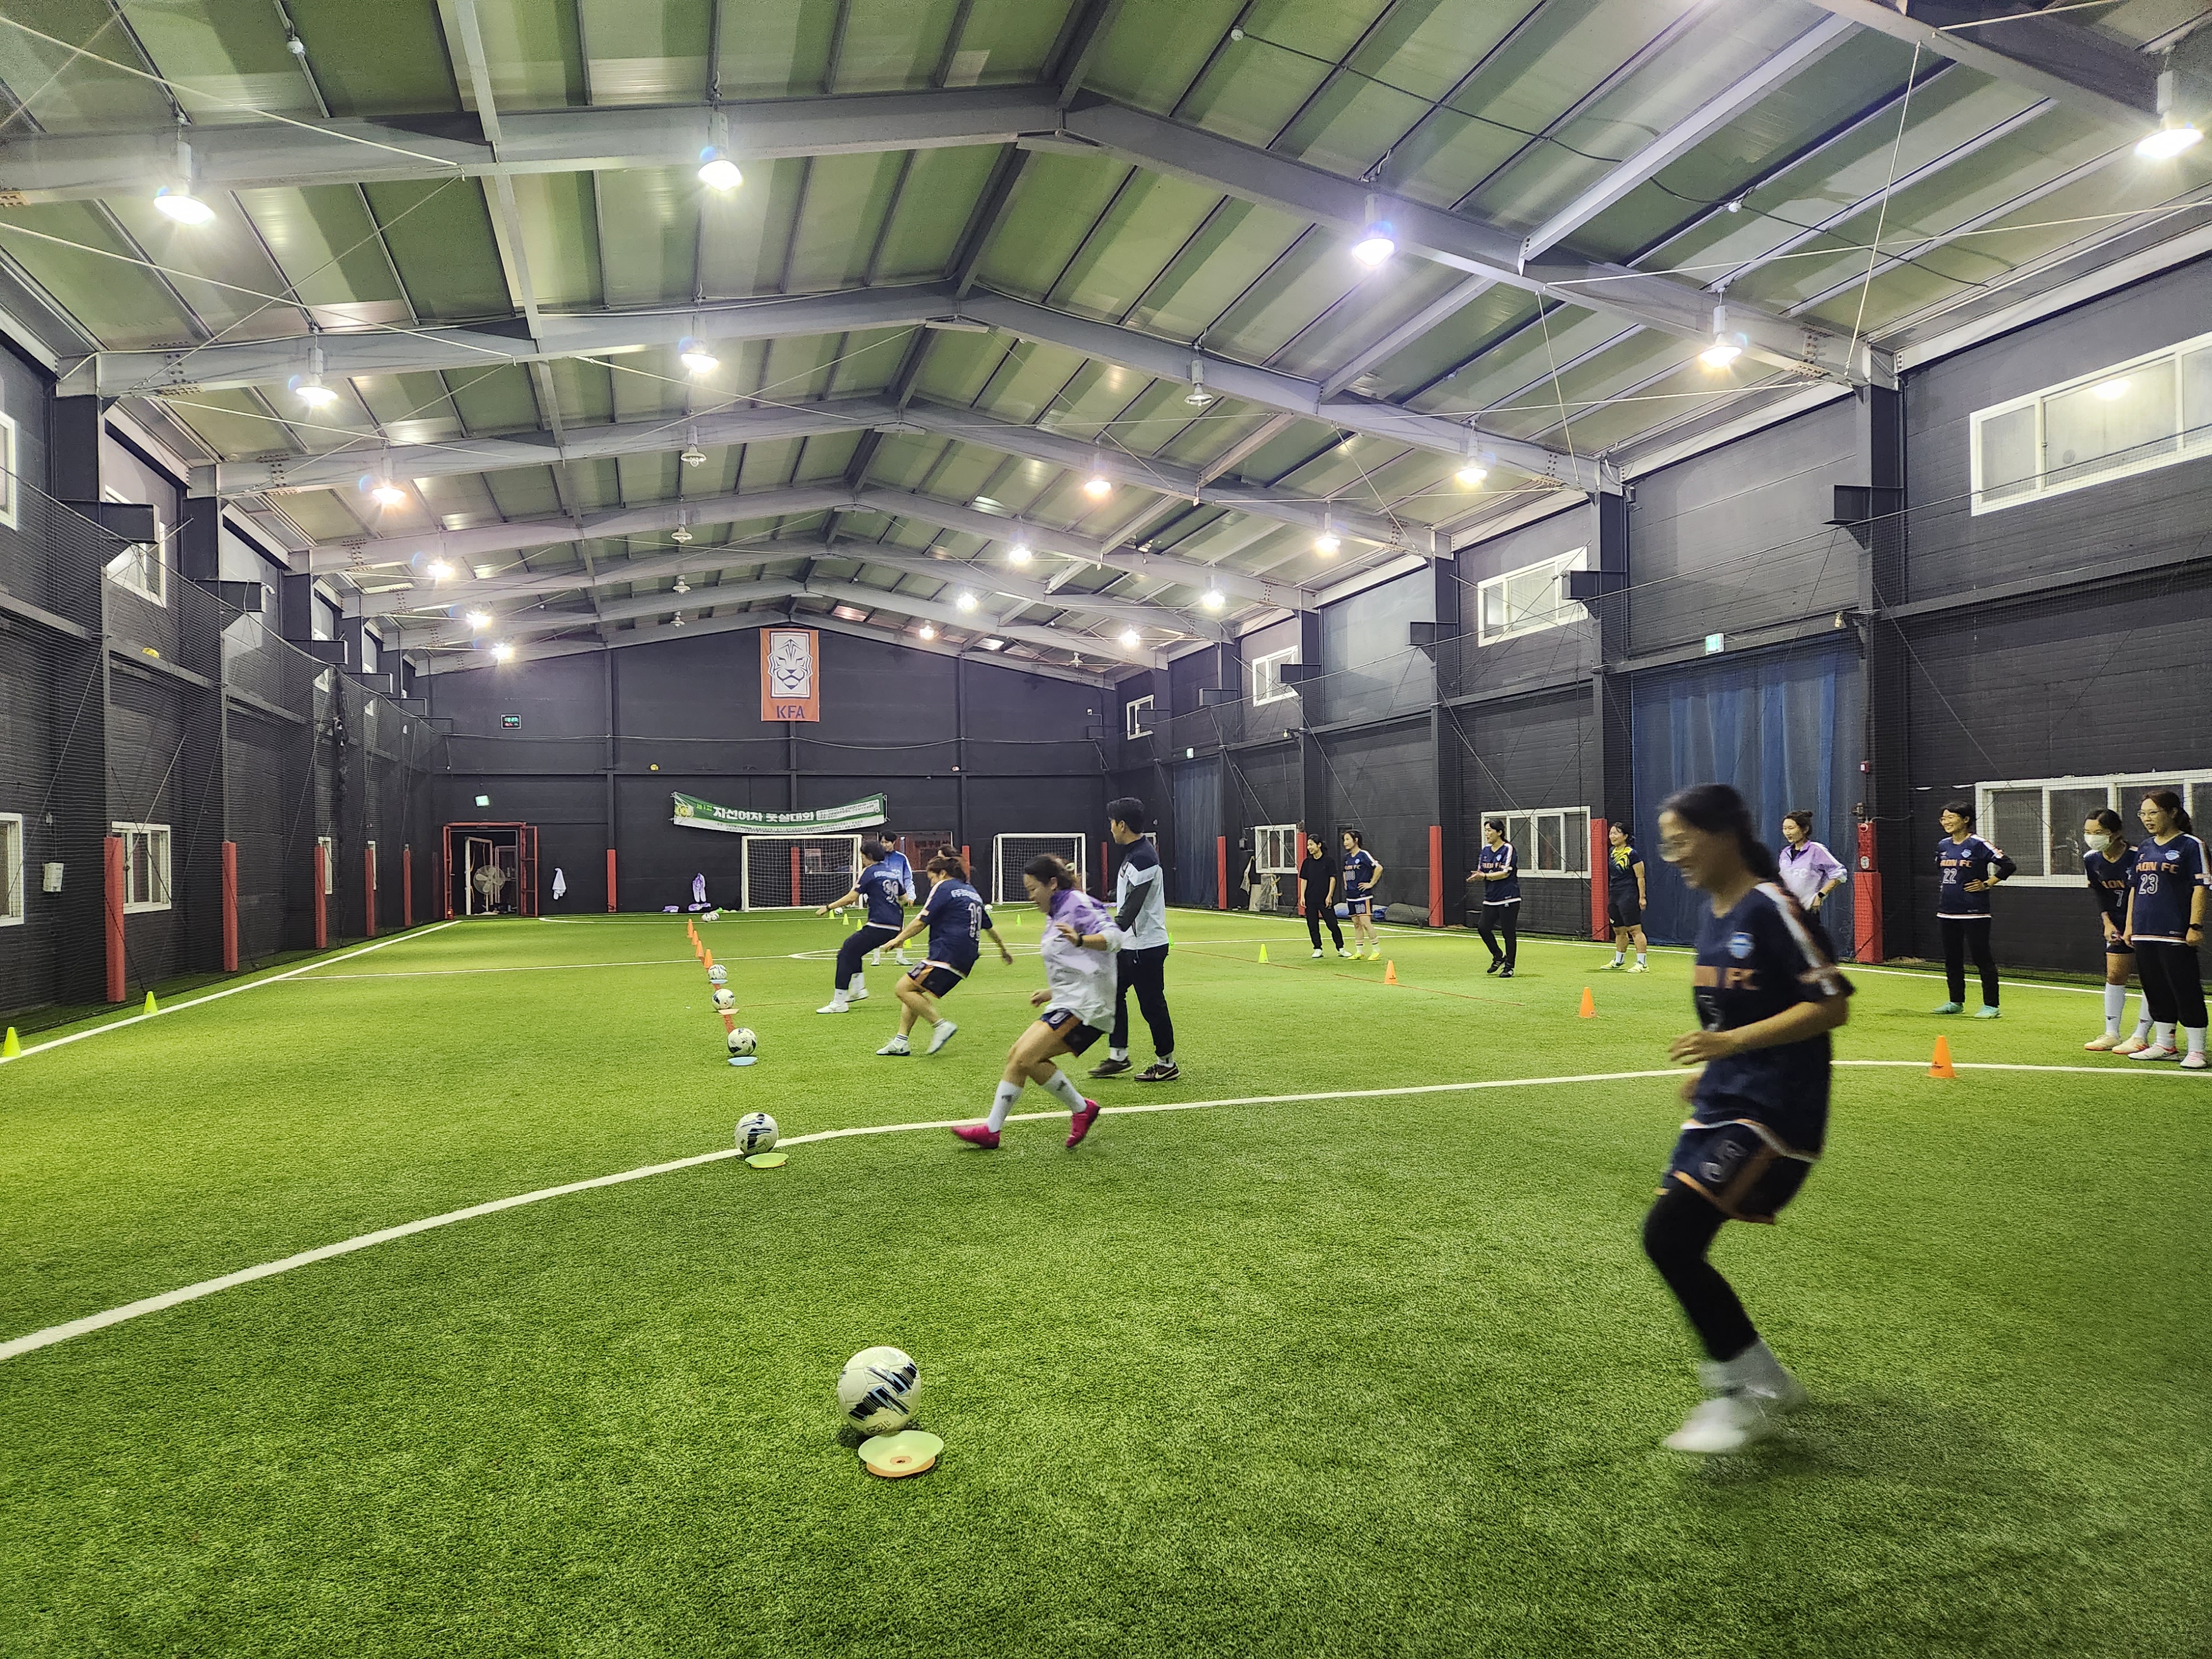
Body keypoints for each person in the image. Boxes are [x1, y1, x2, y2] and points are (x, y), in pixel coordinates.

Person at [1647, 782, 1852, 1455]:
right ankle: (1762, 1380)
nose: (1674, 856)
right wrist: (1711, 1069)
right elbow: (1734, 1014)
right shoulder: (1714, 913)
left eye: (1681, 842)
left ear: (1723, 836)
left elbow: (1830, 1003)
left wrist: (1730, 1046)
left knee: (1670, 1235)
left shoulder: (1771, 906)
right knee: (1672, 1242)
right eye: (1667, 845)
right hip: (1726, 1104)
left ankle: (1742, 1394)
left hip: (1776, 1110)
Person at [952, 854, 1123, 1150]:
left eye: (1033, 889)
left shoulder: (1078, 904)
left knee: (1027, 1058)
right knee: (1017, 1056)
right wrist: (1052, 991)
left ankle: (1079, 1110)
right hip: (1069, 999)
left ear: (1052, 884)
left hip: (1089, 1005)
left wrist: (1081, 940)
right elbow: (1077, 964)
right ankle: (994, 1130)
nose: (1031, 896)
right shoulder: (1055, 912)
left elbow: (1115, 938)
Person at [873, 851, 1011, 1056]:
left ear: (943, 874)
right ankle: (901, 1042)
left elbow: (921, 920)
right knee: (913, 989)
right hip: (966, 958)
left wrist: (897, 939)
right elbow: (988, 927)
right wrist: (1003, 950)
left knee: (902, 989)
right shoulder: (971, 891)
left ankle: (940, 1025)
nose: (931, 884)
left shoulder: (944, 887)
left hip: (947, 952)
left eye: (931, 878)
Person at [1091, 799, 1179, 1082]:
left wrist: (1099, 937)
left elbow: (1131, 909)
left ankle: (1166, 1063)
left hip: (1145, 947)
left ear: (1122, 825)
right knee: (1113, 991)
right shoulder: (1134, 854)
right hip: (1130, 945)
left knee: (1152, 1005)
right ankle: (1119, 1056)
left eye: (1112, 823)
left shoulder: (1143, 858)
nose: (1110, 828)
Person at [2121, 789, 2209, 1068]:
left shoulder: (2191, 845)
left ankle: (2197, 1050)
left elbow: (2201, 887)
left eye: (2153, 813)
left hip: (2175, 932)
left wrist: (2195, 925)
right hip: (2144, 931)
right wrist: (2130, 925)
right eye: (2143, 814)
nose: (2147, 819)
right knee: (2155, 988)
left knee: (2184, 988)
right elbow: (2134, 888)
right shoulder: (2145, 847)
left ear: (2172, 813)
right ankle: (2165, 1044)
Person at [1933, 801, 2014, 1018]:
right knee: (1952, 959)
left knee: (1981, 958)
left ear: (1966, 819)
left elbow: (2008, 865)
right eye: (1943, 818)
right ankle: (1956, 1001)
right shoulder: (1943, 845)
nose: (1946, 822)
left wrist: (1987, 883)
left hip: (1975, 912)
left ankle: (1992, 1006)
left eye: (1951, 817)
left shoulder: (1978, 844)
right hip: (1946, 912)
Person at [2082, 809, 2152, 1053]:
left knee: (2150, 977)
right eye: (2088, 832)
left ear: (2116, 833)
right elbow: (2099, 893)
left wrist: (2133, 925)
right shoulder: (2091, 859)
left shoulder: (2139, 855)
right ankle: (2111, 1033)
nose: (2092, 837)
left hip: (2145, 923)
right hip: (2116, 925)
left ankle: (2141, 1035)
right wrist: (2107, 922)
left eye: (2099, 832)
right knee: (2114, 975)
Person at [812, 838, 907, 1014]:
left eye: (862, 857)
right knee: (853, 950)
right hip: (895, 926)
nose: (862, 860)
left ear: (868, 856)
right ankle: (858, 989)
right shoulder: (891, 872)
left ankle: (839, 1002)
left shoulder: (869, 871)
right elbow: (904, 899)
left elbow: (851, 898)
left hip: (879, 925)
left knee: (845, 953)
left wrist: (828, 907)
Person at [1777, 811, 1848, 964]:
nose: (1787, 832)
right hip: (1787, 912)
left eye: (1791, 828)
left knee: (1812, 956)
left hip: (1808, 913)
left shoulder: (1816, 850)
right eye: (1785, 828)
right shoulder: (1785, 854)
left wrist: (1820, 895)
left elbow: (1840, 874)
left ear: (1805, 829)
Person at [1469, 818, 1519, 977]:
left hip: (1509, 898)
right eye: (1485, 831)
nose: (1487, 834)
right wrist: (1477, 876)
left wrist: (1484, 876)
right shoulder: (1485, 850)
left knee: (1508, 933)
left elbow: (1505, 873)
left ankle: (1509, 967)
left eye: (1490, 831)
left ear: (1499, 832)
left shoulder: (1508, 849)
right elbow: (1481, 871)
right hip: (1490, 898)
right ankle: (1498, 956)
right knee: (1483, 928)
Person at [1602, 821, 1650, 972]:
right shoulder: (1611, 852)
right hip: (1615, 895)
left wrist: (1642, 897)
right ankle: (1619, 961)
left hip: (1628, 895)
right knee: (1618, 930)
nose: (1612, 836)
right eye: (1611, 833)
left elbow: (1640, 877)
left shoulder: (1632, 854)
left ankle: (1642, 964)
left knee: (1635, 929)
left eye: (1616, 833)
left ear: (1625, 836)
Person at [1298, 831, 1349, 959]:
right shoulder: (1307, 863)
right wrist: (1302, 896)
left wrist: (1329, 896)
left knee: (1332, 924)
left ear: (1319, 845)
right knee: (1312, 925)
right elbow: (1304, 880)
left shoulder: (1329, 861)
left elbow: (1333, 879)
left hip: (1324, 899)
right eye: (1308, 845)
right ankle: (1318, 948)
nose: (1309, 847)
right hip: (1310, 899)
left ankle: (1341, 948)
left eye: (1311, 845)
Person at [1340, 830, 1384, 961]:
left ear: (1356, 840)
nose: (1345, 843)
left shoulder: (1364, 855)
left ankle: (1376, 950)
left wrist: (1371, 883)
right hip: (1351, 897)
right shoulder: (1347, 858)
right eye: (1344, 840)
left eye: (1348, 839)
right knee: (1356, 924)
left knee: (1365, 923)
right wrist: (1346, 884)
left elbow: (1379, 868)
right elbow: (1345, 872)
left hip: (1362, 897)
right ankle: (1359, 951)